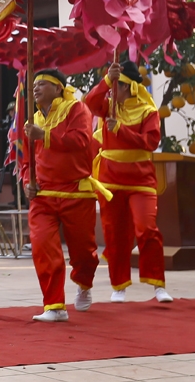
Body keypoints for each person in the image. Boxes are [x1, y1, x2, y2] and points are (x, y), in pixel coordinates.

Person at [83, 61, 172, 304]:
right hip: (110, 179)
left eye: (116, 86)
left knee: (147, 229)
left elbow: (150, 142)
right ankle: (119, 285)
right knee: (115, 234)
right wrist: (105, 80)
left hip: (141, 179)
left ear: (129, 87)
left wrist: (121, 130)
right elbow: (89, 102)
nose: (112, 90)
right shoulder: (107, 107)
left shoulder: (148, 111)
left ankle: (157, 285)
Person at [24, 69, 104, 322]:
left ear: (58, 88)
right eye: (34, 85)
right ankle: (55, 305)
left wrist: (44, 135)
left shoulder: (77, 109)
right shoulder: (32, 118)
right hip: (44, 194)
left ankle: (84, 281)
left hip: (75, 191)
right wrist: (28, 181)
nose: (35, 88)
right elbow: (27, 159)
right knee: (43, 247)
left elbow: (81, 140)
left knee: (83, 251)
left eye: (43, 84)